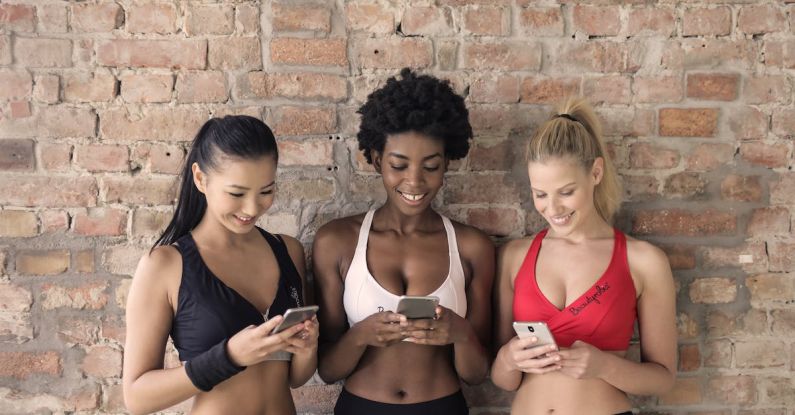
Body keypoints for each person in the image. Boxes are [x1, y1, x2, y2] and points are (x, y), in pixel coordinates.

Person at [313, 68, 495, 415]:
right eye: (399, 165)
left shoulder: (472, 247)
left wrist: (459, 333)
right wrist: (361, 335)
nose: (414, 181)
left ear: (447, 164)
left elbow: (476, 375)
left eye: (431, 166)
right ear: (377, 160)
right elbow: (328, 370)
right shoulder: (337, 241)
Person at [491, 98, 677, 414]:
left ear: (596, 172)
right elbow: (503, 381)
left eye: (566, 192)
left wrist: (605, 366)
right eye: (540, 194)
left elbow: (663, 379)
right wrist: (508, 358)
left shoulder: (644, 261)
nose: (553, 208)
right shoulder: (514, 256)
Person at [123, 116, 319, 415]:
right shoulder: (165, 265)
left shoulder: (288, 251)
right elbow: (137, 398)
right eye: (237, 193)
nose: (252, 208)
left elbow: (294, 378)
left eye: (266, 191)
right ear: (201, 179)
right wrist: (229, 357)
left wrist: (308, 348)